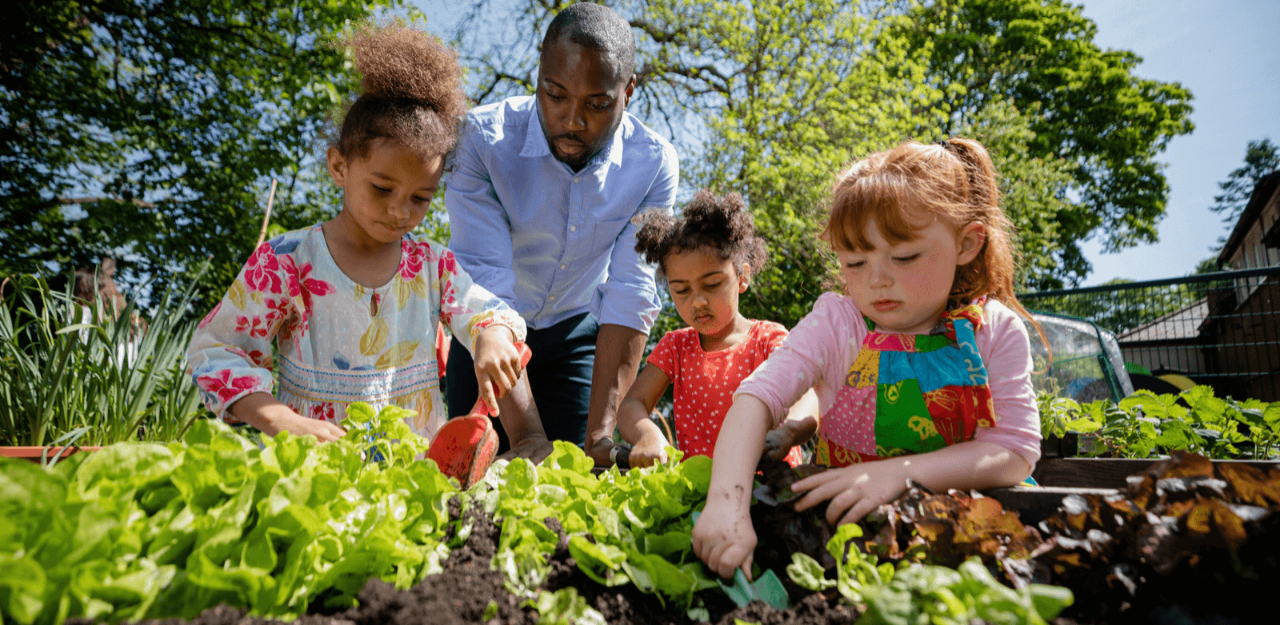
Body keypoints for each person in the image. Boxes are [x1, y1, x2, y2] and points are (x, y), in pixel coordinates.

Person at [692, 138, 1043, 579]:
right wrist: (727, 503)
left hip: (967, 542)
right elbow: (756, 399)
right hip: (847, 543)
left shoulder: (993, 331)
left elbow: (1014, 450)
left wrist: (898, 475)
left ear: (967, 244)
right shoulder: (836, 324)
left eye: (905, 256)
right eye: (855, 262)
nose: (877, 280)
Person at [187, 22, 532, 444]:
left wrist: (491, 335)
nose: (399, 211)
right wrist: (281, 420)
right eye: (382, 188)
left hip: (414, 476)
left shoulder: (432, 265)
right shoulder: (284, 261)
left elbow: (484, 309)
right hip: (311, 475)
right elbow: (216, 352)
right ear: (339, 166)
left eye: (421, 197)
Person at [444, 2, 678, 465]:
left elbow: (630, 293)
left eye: (597, 104)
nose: (573, 120)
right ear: (538, 73)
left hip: (577, 337)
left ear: (628, 91)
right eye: (555, 95)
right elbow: (487, 280)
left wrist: (601, 438)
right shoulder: (480, 141)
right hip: (488, 335)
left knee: (580, 472)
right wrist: (527, 434)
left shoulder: (653, 163)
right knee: (469, 482)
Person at [615, 190, 819, 468]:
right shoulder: (676, 347)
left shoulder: (768, 339)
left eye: (711, 285)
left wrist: (788, 432)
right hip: (702, 496)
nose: (697, 301)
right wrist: (649, 434)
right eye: (681, 290)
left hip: (771, 488)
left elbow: (808, 395)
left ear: (743, 276)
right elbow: (630, 406)